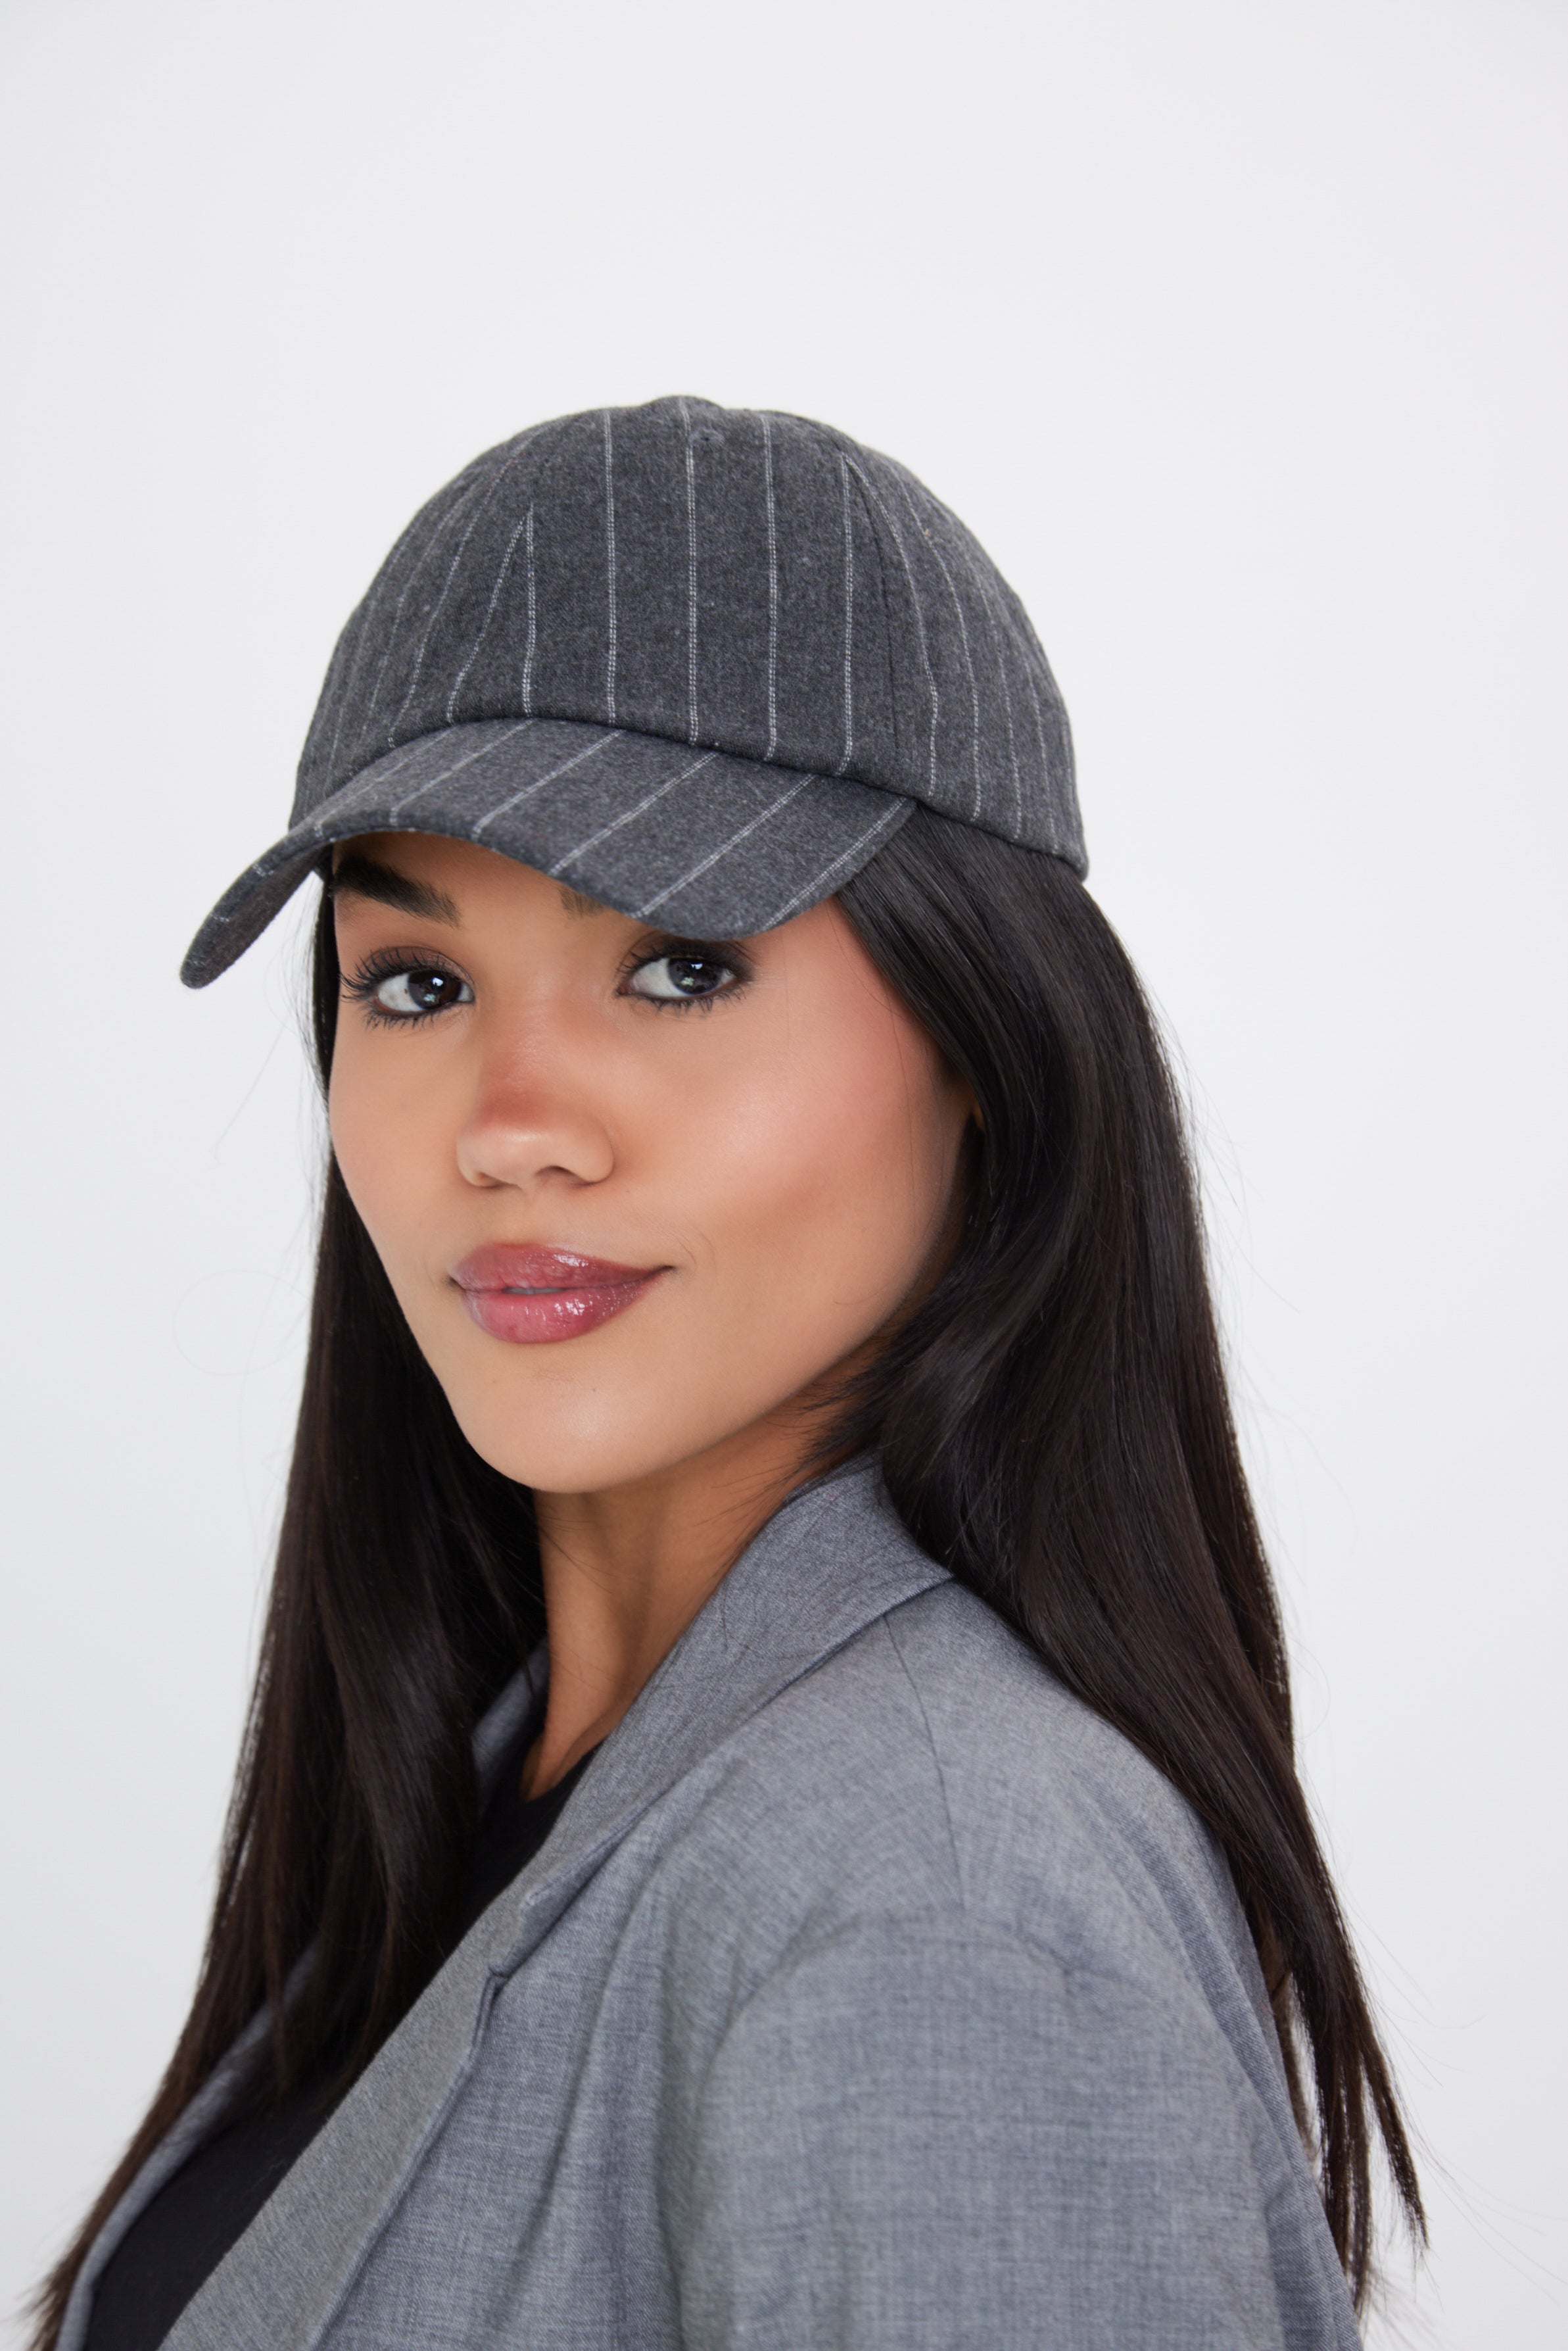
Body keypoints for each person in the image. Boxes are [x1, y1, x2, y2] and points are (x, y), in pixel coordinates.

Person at [35, 397, 1422, 2350]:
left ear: (984, 1037)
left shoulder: (931, 1902)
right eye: (414, 984)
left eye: (682, 963)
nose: (511, 1127)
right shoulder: (505, 1768)